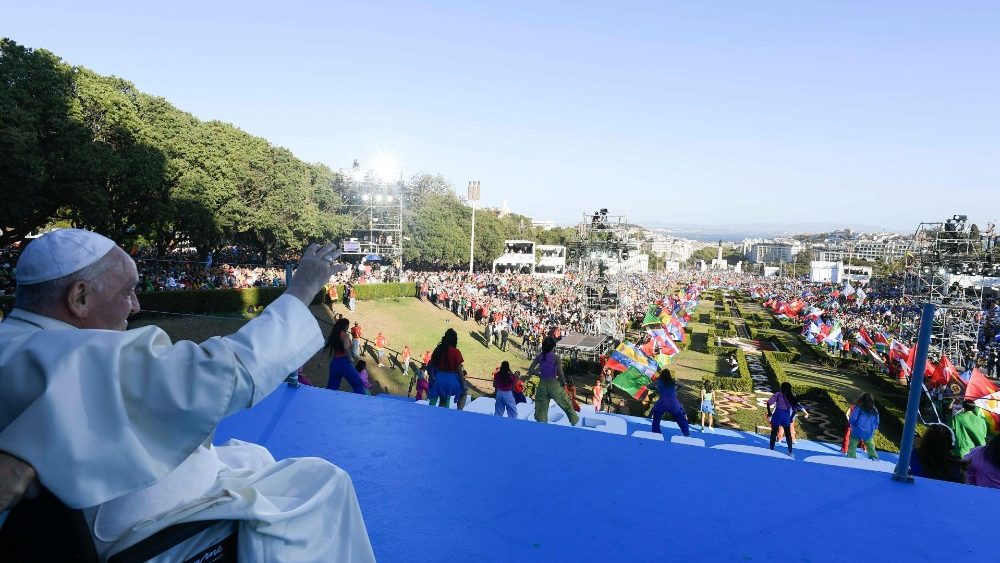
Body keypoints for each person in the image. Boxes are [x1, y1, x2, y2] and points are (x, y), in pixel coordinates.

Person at [0, 229, 375, 561]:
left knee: (255, 453)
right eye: (127, 291)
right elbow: (229, 371)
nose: (136, 305)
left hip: (81, 516)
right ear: (79, 297)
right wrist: (302, 289)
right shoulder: (82, 357)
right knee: (326, 479)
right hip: (136, 527)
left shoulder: (14, 343)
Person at [527, 337, 580, 426]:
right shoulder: (556, 358)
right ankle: (575, 422)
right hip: (553, 384)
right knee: (566, 403)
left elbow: (531, 369)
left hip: (542, 384)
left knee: (541, 409)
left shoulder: (540, 356)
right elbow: (561, 374)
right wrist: (563, 384)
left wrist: (539, 374)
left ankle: (542, 427)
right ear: (553, 347)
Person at [324, 318, 366, 394]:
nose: (348, 327)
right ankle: (360, 403)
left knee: (331, 388)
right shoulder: (345, 335)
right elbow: (346, 347)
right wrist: (350, 358)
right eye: (348, 325)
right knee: (358, 384)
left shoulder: (335, 334)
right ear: (345, 326)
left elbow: (328, 350)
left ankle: (327, 402)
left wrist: (321, 362)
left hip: (334, 363)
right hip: (344, 363)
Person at [426, 328, 466, 408]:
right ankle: (459, 413)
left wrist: (433, 377)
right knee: (463, 393)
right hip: (451, 379)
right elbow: (459, 370)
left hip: (439, 378)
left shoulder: (438, 349)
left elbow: (432, 364)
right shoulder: (456, 352)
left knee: (436, 399)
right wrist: (463, 384)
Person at [649, 369, 690, 437]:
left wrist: (657, 390)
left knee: (656, 419)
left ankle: (656, 434)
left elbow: (648, 386)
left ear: (661, 375)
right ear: (669, 375)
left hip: (662, 403)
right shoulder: (673, 381)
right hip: (673, 403)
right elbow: (682, 385)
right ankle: (686, 434)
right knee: (681, 419)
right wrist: (676, 390)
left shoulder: (659, 382)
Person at [767, 382, 800, 456]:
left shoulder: (778, 394)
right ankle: (790, 451)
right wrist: (791, 418)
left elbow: (768, 403)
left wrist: (769, 412)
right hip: (786, 416)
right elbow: (795, 410)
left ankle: (771, 449)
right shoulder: (791, 397)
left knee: (773, 433)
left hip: (777, 415)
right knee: (788, 434)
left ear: (781, 388)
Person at [847, 393, 879, 460]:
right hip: (869, 432)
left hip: (857, 431)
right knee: (870, 445)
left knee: (852, 445)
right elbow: (876, 423)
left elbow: (853, 419)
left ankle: (851, 458)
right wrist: (873, 429)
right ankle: (874, 458)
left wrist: (851, 423)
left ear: (862, 399)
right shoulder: (874, 410)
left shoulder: (858, 408)